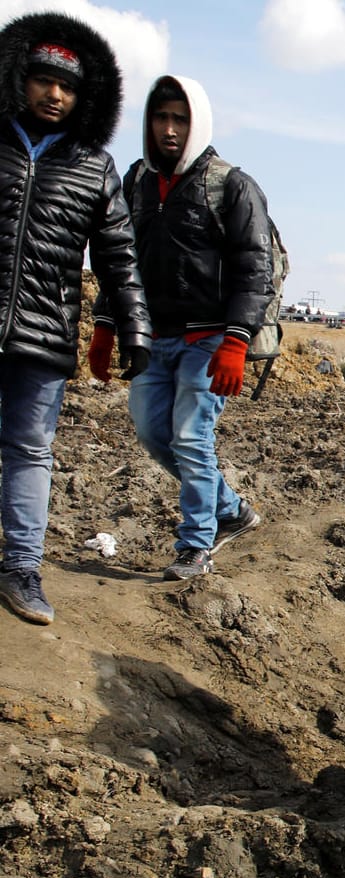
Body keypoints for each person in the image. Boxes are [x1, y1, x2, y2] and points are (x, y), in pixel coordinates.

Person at [0, 13, 151, 625]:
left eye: (67, 87)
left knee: (30, 451)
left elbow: (120, 254)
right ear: (21, 79)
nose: (54, 94)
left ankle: (20, 571)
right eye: (43, 80)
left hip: (43, 336)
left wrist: (134, 329)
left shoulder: (94, 168)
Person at [95, 76, 271, 580]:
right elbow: (117, 260)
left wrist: (236, 340)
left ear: (197, 123)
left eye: (180, 118)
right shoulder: (134, 183)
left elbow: (254, 266)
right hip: (153, 337)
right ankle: (232, 509)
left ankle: (196, 543)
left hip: (209, 337)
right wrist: (107, 325)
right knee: (155, 435)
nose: (169, 129)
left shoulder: (230, 184)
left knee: (192, 438)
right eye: (161, 117)